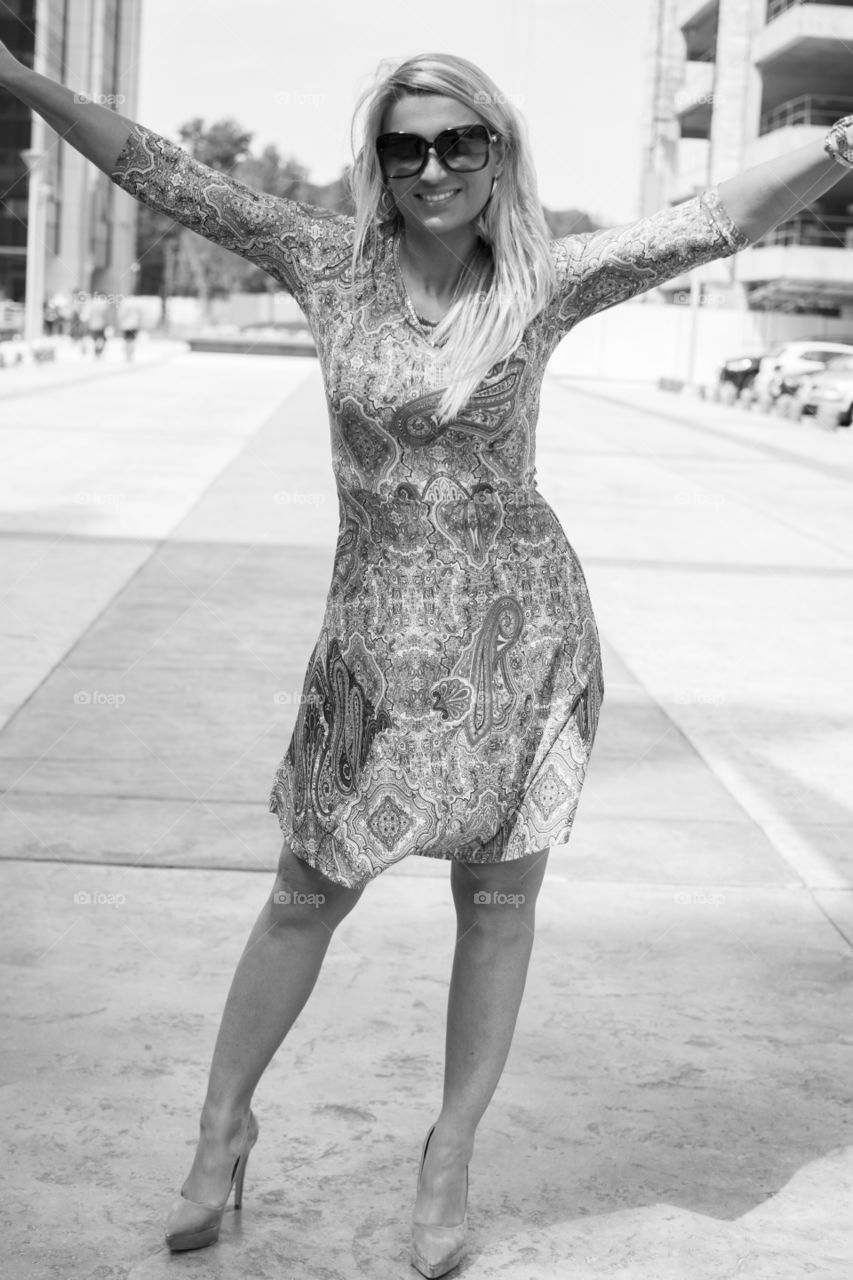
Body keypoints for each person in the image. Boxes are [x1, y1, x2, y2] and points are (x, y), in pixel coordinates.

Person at [2, 37, 851, 1277]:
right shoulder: (327, 263)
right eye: (406, 145)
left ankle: (448, 1151)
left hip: (523, 636)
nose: (433, 164)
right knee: (304, 894)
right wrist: (22, 83)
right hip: (371, 644)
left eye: (460, 140)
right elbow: (160, 170)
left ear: (497, 151)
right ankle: (221, 1129)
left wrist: (838, 144)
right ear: (380, 164)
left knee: (497, 909)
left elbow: (713, 216)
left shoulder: (545, 280)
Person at [117, 294, 142, 360]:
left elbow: (121, 315)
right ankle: (130, 355)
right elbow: (140, 316)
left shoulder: (124, 305)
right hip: (134, 325)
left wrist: (120, 323)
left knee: (127, 341)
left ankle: (127, 355)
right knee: (132, 341)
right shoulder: (137, 305)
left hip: (126, 326)